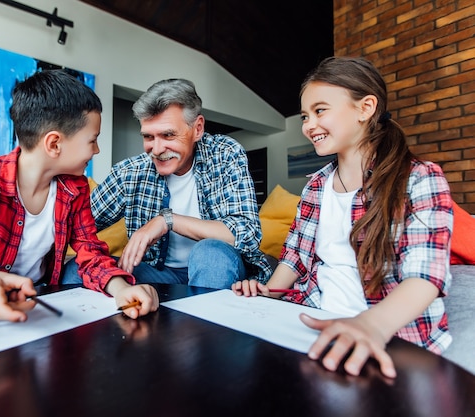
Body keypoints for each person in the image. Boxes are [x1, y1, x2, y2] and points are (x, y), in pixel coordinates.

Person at [232, 56, 453, 378]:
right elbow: (295, 255)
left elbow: (425, 276)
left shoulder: (420, 178)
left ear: (365, 108)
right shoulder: (316, 186)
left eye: (320, 110)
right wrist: (269, 293)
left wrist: (370, 326)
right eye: (305, 115)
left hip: (391, 335)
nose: (308, 125)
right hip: (313, 321)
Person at [0, 69, 159, 322]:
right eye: (93, 140)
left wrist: (122, 289)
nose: (97, 150)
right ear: (54, 144)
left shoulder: (75, 188)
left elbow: (90, 252)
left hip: (42, 303)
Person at [63, 78, 273, 289]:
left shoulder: (224, 153)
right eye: (148, 137)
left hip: (218, 267)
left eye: (168, 135)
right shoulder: (129, 173)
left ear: (197, 129)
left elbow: (247, 233)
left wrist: (167, 221)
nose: (156, 149)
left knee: (210, 252)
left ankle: (201, 322)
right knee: (77, 270)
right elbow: (72, 225)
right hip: (158, 273)